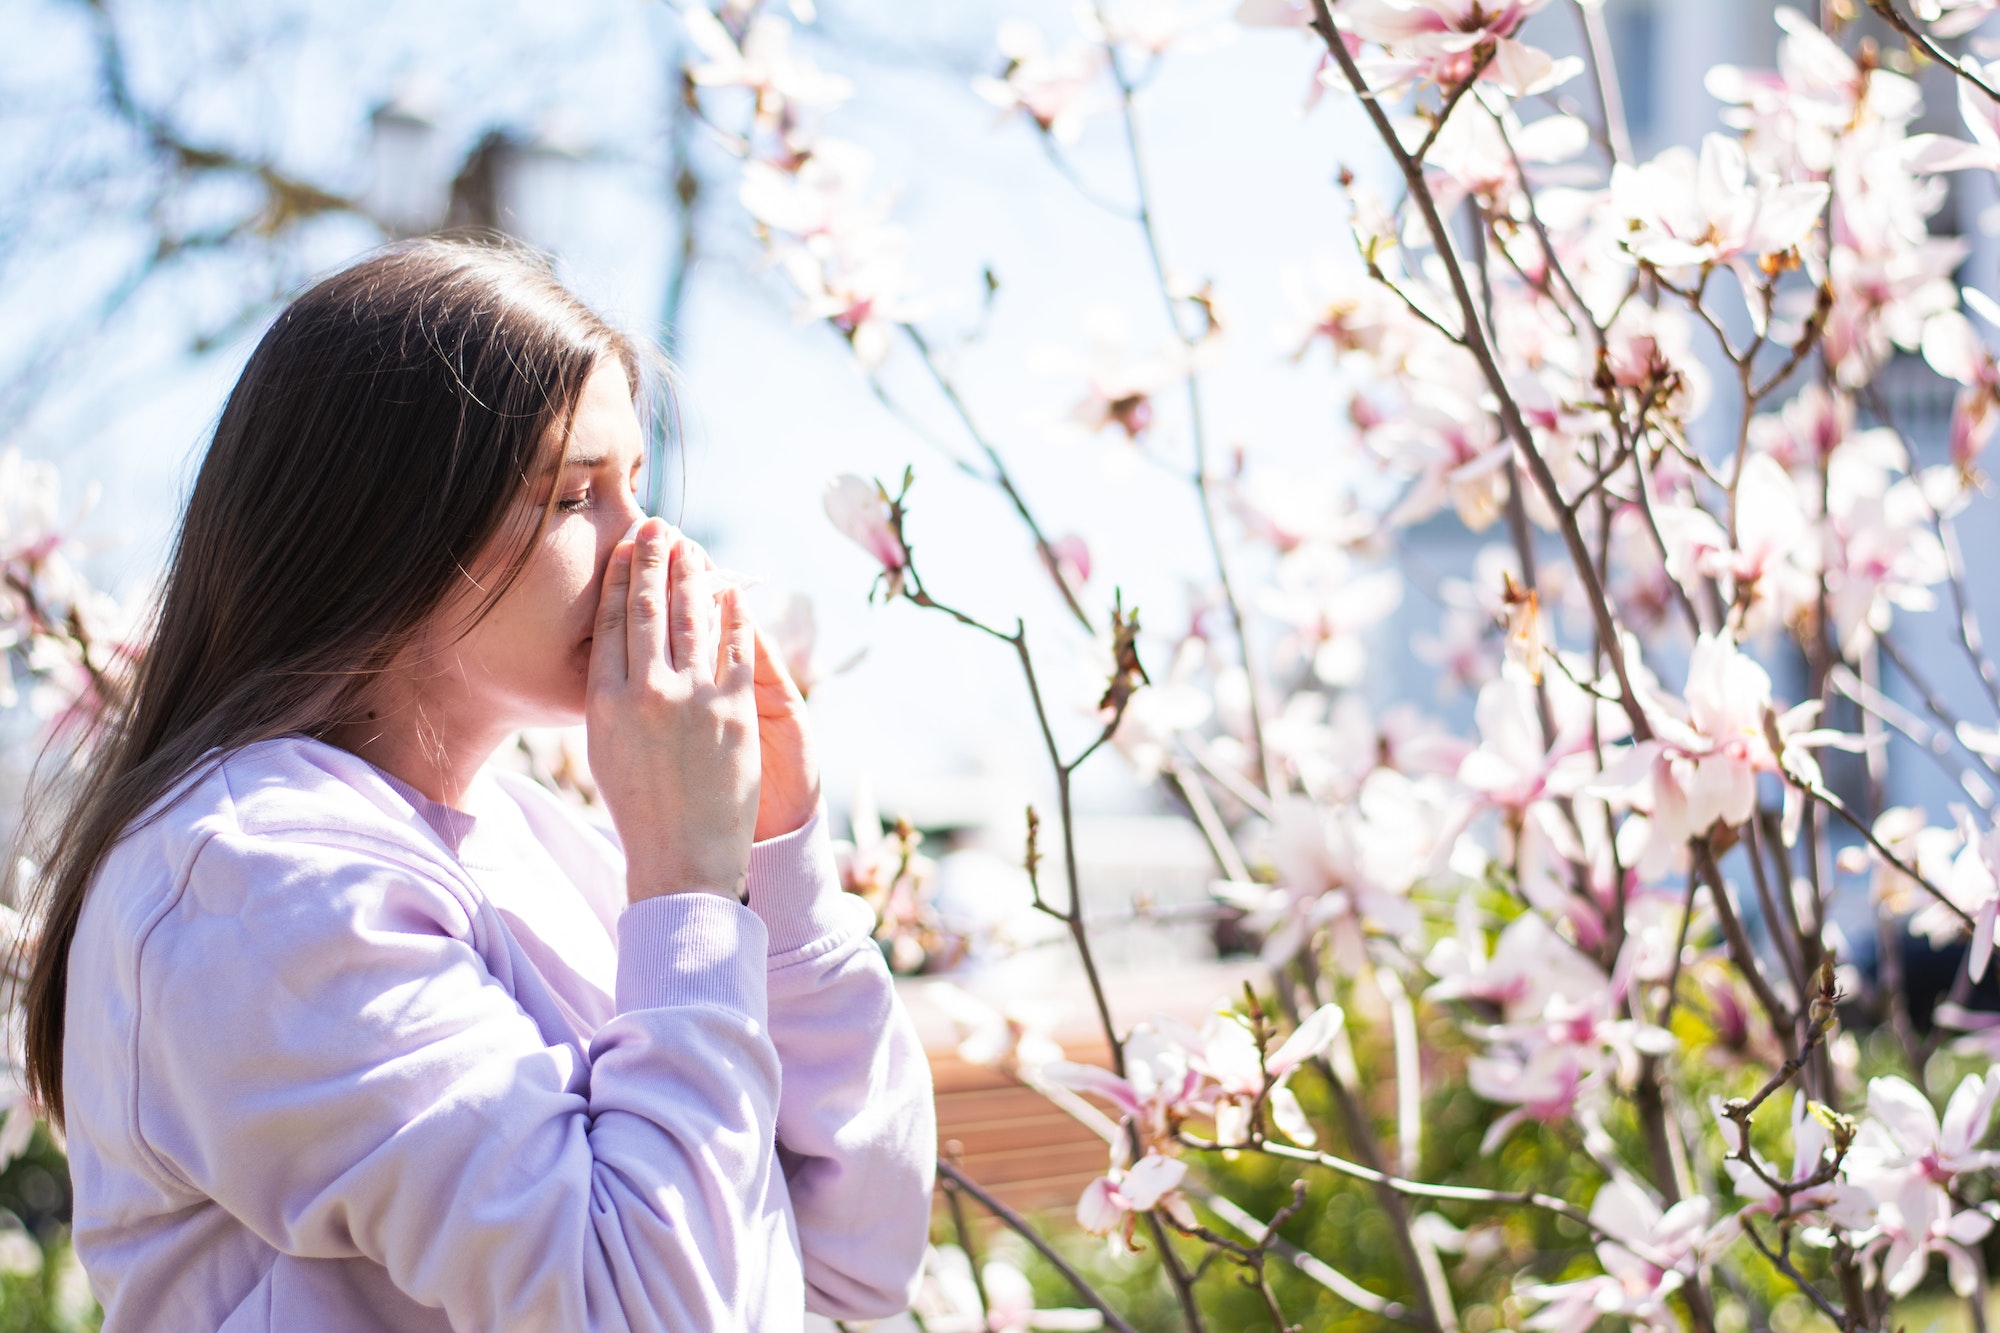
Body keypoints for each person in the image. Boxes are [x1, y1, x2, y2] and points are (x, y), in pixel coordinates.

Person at [12, 236, 936, 1331]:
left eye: (633, 482)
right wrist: (685, 883)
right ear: (384, 530)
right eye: (570, 494)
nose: (644, 541)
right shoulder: (256, 874)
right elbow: (650, 1309)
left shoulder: (536, 842)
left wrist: (773, 864)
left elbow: (857, 1262)